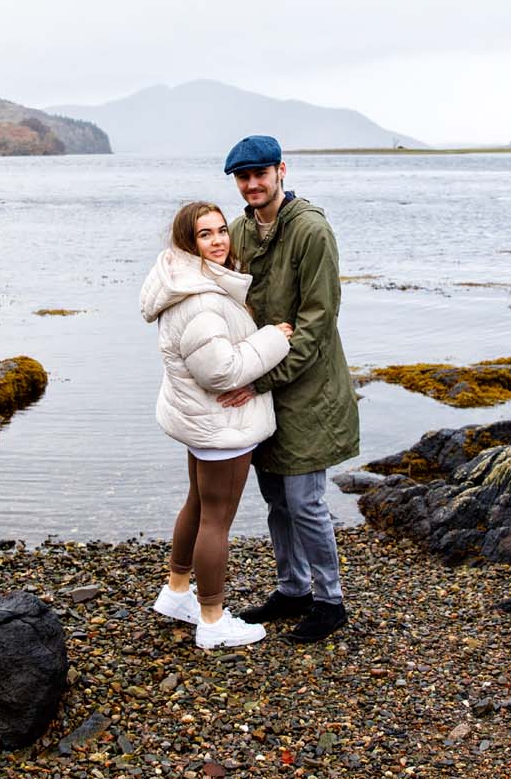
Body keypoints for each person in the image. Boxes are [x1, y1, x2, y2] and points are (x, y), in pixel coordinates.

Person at [217, 135, 360, 643]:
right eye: (242, 177)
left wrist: (260, 377)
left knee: (305, 501)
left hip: (308, 386)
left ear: (281, 171)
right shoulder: (237, 230)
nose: (252, 184)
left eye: (260, 174)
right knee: (275, 495)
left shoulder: (311, 231)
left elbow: (317, 323)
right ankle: (292, 587)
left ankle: (330, 601)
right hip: (260, 383)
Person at [139, 200, 295, 649]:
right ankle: (211, 619)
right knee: (217, 521)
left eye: (222, 230)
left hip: (199, 422)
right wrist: (273, 338)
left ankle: (176, 592)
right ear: (188, 242)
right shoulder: (202, 300)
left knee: (197, 504)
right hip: (221, 424)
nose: (219, 240)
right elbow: (221, 373)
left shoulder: (185, 279)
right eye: (205, 234)